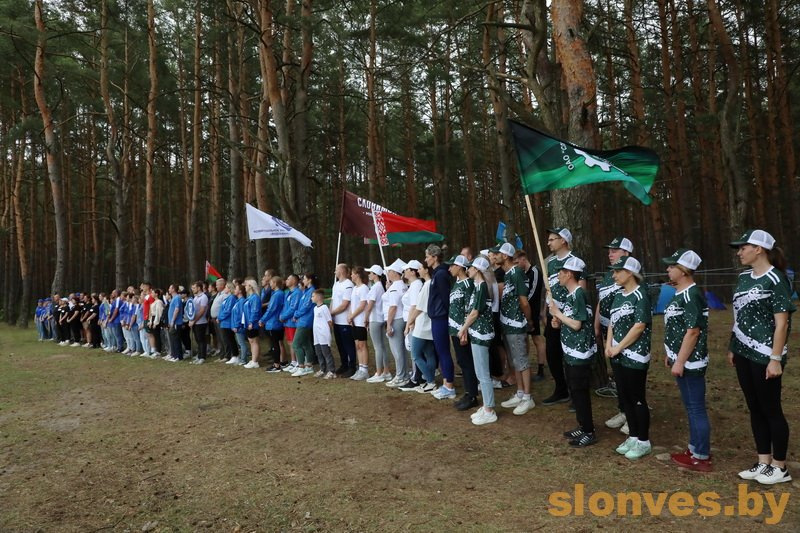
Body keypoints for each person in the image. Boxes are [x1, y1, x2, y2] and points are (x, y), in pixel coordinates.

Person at [728, 229, 794, 485]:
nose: (739, 253)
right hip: (742, 351)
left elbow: (782, 323)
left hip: (765, 354)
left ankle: (780, 466)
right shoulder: (743, 278)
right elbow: (738, 315)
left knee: (771, 408)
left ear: (759, 249)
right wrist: (733, 346)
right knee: (754, 407)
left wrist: (775, 358)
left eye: (743, 247)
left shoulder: (776, 279)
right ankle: (763, 461)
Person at [661, 249, 711, 471]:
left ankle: (701, 456)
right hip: (681, 358)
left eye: (672, 266)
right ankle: (694, 448)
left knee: (696, 408)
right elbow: (677, 328)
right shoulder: (680, 293)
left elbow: (693, 331)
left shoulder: (691, 295)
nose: (668, 269)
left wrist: (680, 361)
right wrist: (671, 354)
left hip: (691, 362)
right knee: (691, 407)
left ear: (684, 270)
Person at [606, 256, 653, 460]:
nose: (614, 275)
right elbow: (612, 322)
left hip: (635, 356)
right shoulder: (618, 295)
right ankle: (633, 436)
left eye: (618, 271)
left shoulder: (640, 295)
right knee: (624, 398)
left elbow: (639, 326)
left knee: (637, 398)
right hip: (617, 355)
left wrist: (619, 347)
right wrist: (608, 345)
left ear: (630, 273)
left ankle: (643, 440)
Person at [548, 257, 598, 447]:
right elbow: (570, 321)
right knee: (575, 391)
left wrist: (558, 314)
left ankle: (589, 431)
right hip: (570, 350)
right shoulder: (571, 296)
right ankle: (582, 425)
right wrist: (558, 321)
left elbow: (577, 324)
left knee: (580, 392)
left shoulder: (579, 294)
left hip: (580, 352)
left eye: (560, 273)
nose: (558, 276)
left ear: (569, 274)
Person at [595, 237, 634, 435]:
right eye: (609, 251)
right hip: (607, 331)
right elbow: (601, 300)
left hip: (625, 333)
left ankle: (633, 414)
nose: (610, 254)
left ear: (626, 253)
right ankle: (623, 409)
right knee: (617, 373)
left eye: (615, 251)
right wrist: (596, 324)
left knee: (629, 374)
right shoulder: (609, 275)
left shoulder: (631, 275)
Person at [495, 243, 535, 415]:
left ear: (505, 256)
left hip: (517, 324)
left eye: (498, 253)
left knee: (522, 361)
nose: (495, 256)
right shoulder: (508, 274)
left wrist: (529, 320)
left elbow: (523, 301)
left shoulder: (517, 273)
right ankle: (519, 392)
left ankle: (527, 397)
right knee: (514, 361)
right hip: (507, 324)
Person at [543, 228, 581, 405]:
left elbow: (580, 290)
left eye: (552, 239)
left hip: (569, 316)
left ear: (563, 240)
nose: (549, 243)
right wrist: (548, 311)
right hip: (553, 314)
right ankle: (561, 389)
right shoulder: (550, 263)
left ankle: (575, 393)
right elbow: (549, 289)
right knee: (552, 353)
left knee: (570, 354)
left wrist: (565, 313)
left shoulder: (575, 261)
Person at [459, 255, 497, 426]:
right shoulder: (478, 286)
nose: (468, 270)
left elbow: (475, 312)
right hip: (477, 332)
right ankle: (486, 405)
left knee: (483, 373)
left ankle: (489, 409)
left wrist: (463, 328)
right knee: (480, 371)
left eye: (471, 267)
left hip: (482, 333)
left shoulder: (482, 287)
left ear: (477, 270)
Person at [447, 255, 478, 410]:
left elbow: (469, 308)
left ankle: (472, 395)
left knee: (467, 361)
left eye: (452, 265)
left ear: (459, 267)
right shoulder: (457, 283)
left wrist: (464, 330)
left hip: (462, 330)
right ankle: (468, 392)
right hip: (454, 329)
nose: (449, 269)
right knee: (461, 361)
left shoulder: (467, 284)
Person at [427, 244, 456, 399]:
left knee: (444, 351)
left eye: (427, 256)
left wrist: (448, 317)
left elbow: (446, 298)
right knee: (440, 351)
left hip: (441, 318)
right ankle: (446, 383)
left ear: (435, 257)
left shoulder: (441, 274)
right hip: (436, 317)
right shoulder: (437, 274)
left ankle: (449, 386)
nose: (425, 259)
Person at [404, 260, 437, 393]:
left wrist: (409, 323)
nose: (418, 271)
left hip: (422, 325)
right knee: (429, 354)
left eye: (420, 268)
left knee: (416, 355)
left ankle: (430, 381)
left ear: (426, 270)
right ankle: (430, 381)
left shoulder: (427, 285)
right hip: (428, 323)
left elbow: (418, 307)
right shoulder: (429, 283)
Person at [514, 250, 546, 382]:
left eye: (517, 262)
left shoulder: (535, 271)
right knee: (524, 339)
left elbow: (533, 292)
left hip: (533, 310)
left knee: (537, 339)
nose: (516, 265)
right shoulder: (521, 273)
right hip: (523, 310)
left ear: (523, 259)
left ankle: (541, 369)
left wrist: (523, 303)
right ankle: (525, 367)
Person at [397, 260, 424, 389]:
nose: (404, 272)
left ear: (413, 272)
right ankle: (416, 376)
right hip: (412, 320)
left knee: (415, 351)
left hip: (414, 321)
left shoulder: (416, 285)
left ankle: (417, 378)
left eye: (407, 270)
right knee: (413, 350)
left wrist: (409, 324)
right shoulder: (413, 285)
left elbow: (414, 306)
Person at [383, 259, 409, 387]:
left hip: (395, 319)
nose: (387, 273)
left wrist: (388, 324)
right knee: (401, 350)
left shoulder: (395, 287)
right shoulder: (402, 285)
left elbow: (393, 307)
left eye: (389, 271)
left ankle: (400, 376)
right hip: (401, 318)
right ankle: (404, 374)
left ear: (395, 273)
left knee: (397, 350)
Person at [365, 265, 392, 383]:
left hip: (375, 319)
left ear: (375, 275)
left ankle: (379, 372)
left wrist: (365, 318)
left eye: (370, 273)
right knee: (382, 346)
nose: (369, 275)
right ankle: (386, 371)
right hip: (380, 319)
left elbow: (370, 305)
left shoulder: (375, 287)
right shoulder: (380, 286)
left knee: (378, 347)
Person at [330, 263, 357, 377]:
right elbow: (332, 300)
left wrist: (332, 313)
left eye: (336, 270)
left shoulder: (348, 285)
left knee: (348, 344)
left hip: (345, 321)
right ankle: (344, 364)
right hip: (336, 320)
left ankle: (352, 366)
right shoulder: (336, 284)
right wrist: (330, 315)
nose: (334, 272)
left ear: (341, 271)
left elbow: (345, 304)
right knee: (340, 344)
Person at [292, 273, 318, 376]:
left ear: (310, 280)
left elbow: (306, 306)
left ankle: (301, 366)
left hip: (305, 321)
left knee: (296, 344)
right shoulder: (306, 291)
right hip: (303, 319)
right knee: (306, 343)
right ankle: (309, 366)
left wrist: (296, 314)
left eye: (304, 279)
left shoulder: (311, 291)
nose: (303, 281)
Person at [348, 267, 371, 380]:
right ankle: (360, 368)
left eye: (352, 274)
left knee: (362, 345)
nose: (351, 276)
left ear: (357, 275)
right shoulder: (354, 288)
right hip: (354, 321)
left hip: (361, 321)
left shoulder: (364, 288)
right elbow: (352, 304)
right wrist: (350, 316)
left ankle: (365, 370)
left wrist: (352, 316)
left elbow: (362, 305)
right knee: (357, 345)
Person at [260, 276, 286, 373]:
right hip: (276, 322)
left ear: (275, 283)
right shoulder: (279, 293)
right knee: (278, 343)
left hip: (274, 322)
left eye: (271, 282)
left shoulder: (277, 295)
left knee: (275, 344)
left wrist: (263, 319)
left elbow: (271, 309)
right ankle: (280, 362)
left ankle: (276, 365)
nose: (270, 284)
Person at [312, 288, 336, 378]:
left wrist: (329, 332)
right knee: (319, 352)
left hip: (323, 334)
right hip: (317, 334)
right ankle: (322, 369)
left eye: (313, 296)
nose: (311, 298)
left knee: (326, 352)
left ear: (318, 297)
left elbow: (329, 321)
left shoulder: (324, 308)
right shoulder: (315, 308)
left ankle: (332, 371)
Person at [280, 274, 301, 373]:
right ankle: (293, 361)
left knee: (294, 342)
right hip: (287, 322)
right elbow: (285, 306)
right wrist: (282, 315)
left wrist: (284, 316)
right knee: (290, 342)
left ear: (294, 281)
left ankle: (298, 362)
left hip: (292, 322)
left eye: (288, 279)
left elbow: (293, 308)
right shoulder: (288, 293)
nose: (286, 281)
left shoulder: (297, 293)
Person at [243, 279, 263, 369]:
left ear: (250, 286)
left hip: (252, 323)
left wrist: (251, 322)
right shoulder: (250, 297)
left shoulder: (255, 297)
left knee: (254, 341)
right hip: (248, 322)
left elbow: (255, 311)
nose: (245, 287)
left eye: (246, 285)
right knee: (251, 341)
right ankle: (253, 359)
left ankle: (255, 361)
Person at [188, 281, 209, 364]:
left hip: (201, 322)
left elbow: (202, 311)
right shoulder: (195, 297)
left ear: (199, 288)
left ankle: (202, 357)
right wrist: (191, 319)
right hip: (195, 322)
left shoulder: (203, 297)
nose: (192, 289)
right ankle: (199, 356)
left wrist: (194, 320)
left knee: (201, 340)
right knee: (197, 339)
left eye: (194, 288)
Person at [230, 282, 250, 366]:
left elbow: (241, 315)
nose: (234, 290)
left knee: (242, 343)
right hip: (236, 325)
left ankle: (243, 359)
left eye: (236, 289)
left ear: (240, 291)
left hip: (239, 327)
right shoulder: (238, 301)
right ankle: (243, 357)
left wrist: (237, 325)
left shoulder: (241, 301)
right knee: (240, 343)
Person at [166, 284, 186, 362]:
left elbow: (177, 309)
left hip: (176, 322)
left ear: (173, 289)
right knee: (173, 339)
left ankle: (178, 356)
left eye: (170, 288)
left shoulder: (177, 298)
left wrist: (173, 320)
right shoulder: (173, 298)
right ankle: (174, 355)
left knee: (176, 339)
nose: (169, 289)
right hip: (173, 322)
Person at [147, 289, 165, 357]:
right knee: (154, 335)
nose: (151, 294)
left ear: (156, 294)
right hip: (153, 318)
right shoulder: (154, 302)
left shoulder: (159, 302)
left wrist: (156, 322)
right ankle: (156, 350)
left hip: (157, 319)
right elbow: (152, 313)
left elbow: (158, 313)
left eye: (153, 293)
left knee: (157, 335)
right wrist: (150, 321)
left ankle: (158, 351)